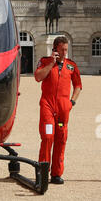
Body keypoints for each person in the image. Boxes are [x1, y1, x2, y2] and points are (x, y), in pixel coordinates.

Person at [34, 36, 82, 184]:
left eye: (66, 50)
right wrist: (51, 63)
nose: (64, 53)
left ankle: (56, 174)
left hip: (63, 109)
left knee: (61, 139)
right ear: (55, 49)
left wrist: (71, 102)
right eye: (62, 50)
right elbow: (38, 77)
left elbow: (78, 86)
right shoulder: (44, 62)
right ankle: (43, 172)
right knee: (48, 137)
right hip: (48, 106)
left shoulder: (71, 66)